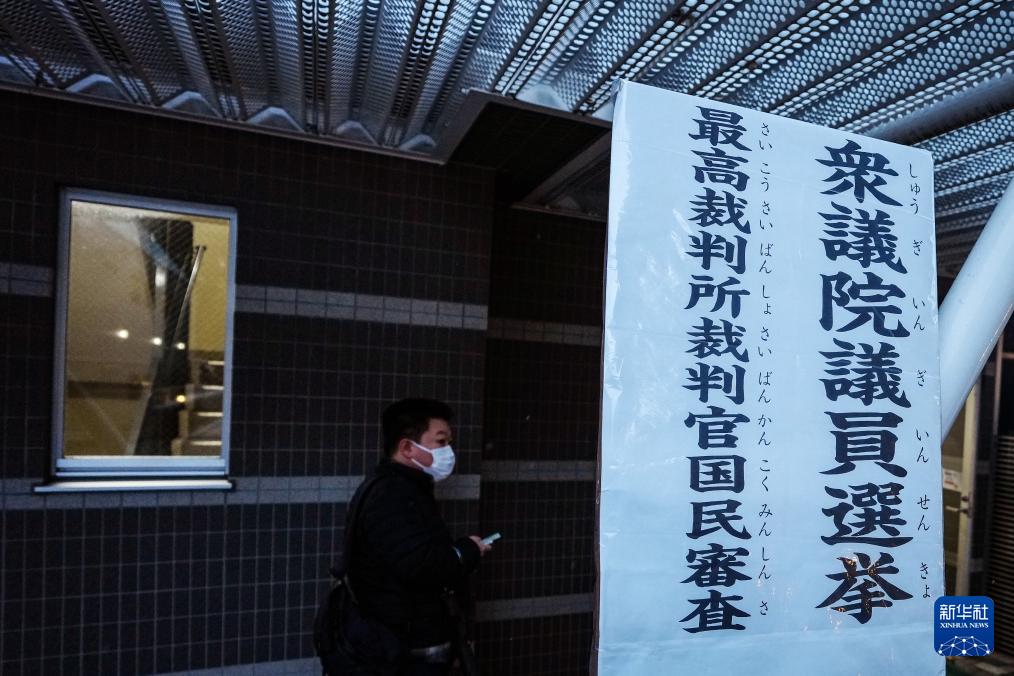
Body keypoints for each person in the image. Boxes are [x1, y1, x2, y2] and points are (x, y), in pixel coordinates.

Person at [345, 397, 491, 675]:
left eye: (449, 443)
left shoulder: (403, 489)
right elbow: (422, 565)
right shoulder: (392, 496)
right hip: (404, 651)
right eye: (440, 442)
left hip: (407, 643)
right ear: (407, 448)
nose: (448, 452)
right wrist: (466, 551)